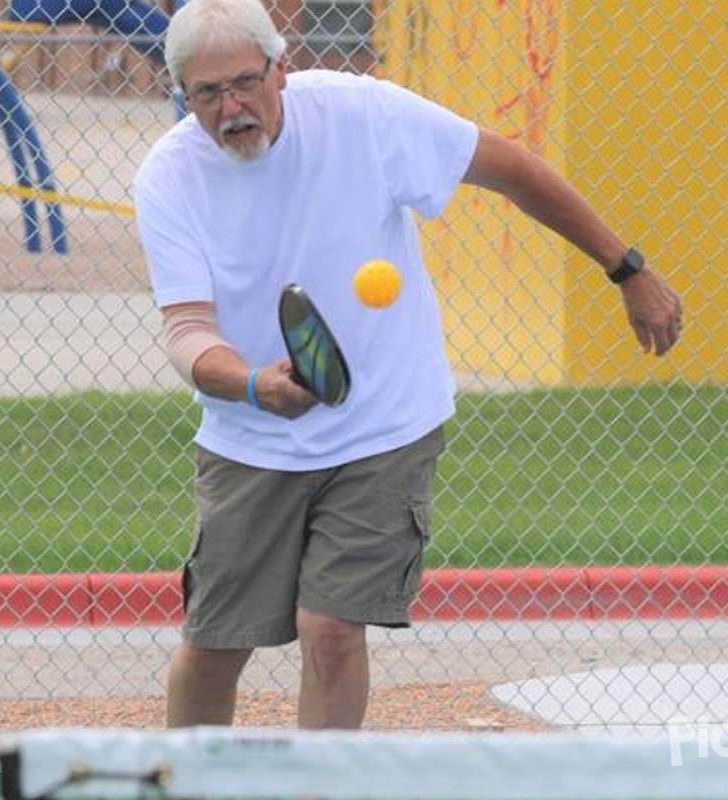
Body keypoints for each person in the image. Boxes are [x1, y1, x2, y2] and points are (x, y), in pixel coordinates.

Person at [132, 0, 683, 730]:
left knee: (332, 631)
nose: (232, 108)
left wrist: (626, 268)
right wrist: (254, 388)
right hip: (251, 438)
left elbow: (512, 169)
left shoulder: (366, 118)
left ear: (281, 71)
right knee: (214, 647)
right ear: (183, 95)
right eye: (207, 94)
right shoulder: (168, 178)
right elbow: (188, 332)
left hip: (385, 427)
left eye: (244, 83)